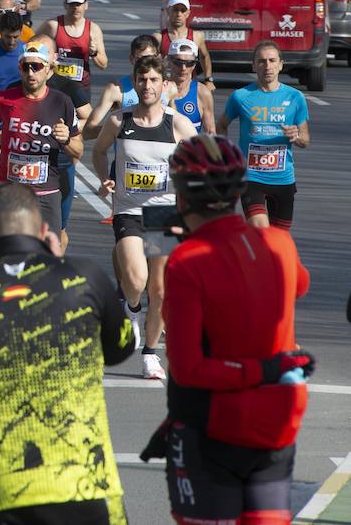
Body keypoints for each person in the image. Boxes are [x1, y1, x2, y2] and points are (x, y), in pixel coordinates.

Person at [0, 182, 135, 524]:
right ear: (42, 231)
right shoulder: (84, 277)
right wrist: (57, 268)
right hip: (87, 486)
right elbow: (121, 347)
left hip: (2, 492)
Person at [143, 135, 312, 525]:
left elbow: (187, 369)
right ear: (239, 191)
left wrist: (258, 370)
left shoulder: (188, 260)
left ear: (182, 199)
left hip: (215, 428)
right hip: (276, 424)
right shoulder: (279, 244)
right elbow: (299, 284)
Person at [91, 55, 198, 380]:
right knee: (136, 281)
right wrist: (104, 179)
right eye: (142, 80)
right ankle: (131, 308)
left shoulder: (177, 124)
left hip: (164, 213)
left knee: (161, 290)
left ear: (164, 85)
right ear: (135, 84)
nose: (148, 86)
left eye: (154, 80)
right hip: (128, 210)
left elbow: (202, 161)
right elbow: (98, 151)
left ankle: (150, 354)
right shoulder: (118, 121)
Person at [0, 47, 82, 229]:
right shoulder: (4, 99)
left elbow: (78, 150)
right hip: (9, 189)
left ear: (48, 70)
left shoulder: (62, 102)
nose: (30, 72)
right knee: (10, 248)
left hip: (47, 191)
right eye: (25, 67)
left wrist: (66, 140)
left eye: (36, 67)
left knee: (49, 250)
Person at [217, 42, 309, 231]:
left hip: (283, 179)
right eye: (262, 61)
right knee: (261, 232)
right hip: (251, 178)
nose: (267, 66)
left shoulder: (295, 97)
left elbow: (305, 140)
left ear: (281, 64)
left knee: (279, 241)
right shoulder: (240, 97)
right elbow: (221, 126)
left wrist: (296, 135)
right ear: (254, 66)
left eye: (272, 60)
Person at [35, 0, 107, 93]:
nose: (75, 8)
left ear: (86, 5)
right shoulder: (53, 25)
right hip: (54, 85)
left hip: (80, 87)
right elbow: (31, 47)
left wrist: (94, 53)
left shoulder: (93, 29)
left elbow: (103, 64)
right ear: (65, 5)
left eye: (79, 4)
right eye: (72, 4)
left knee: (85, 110)